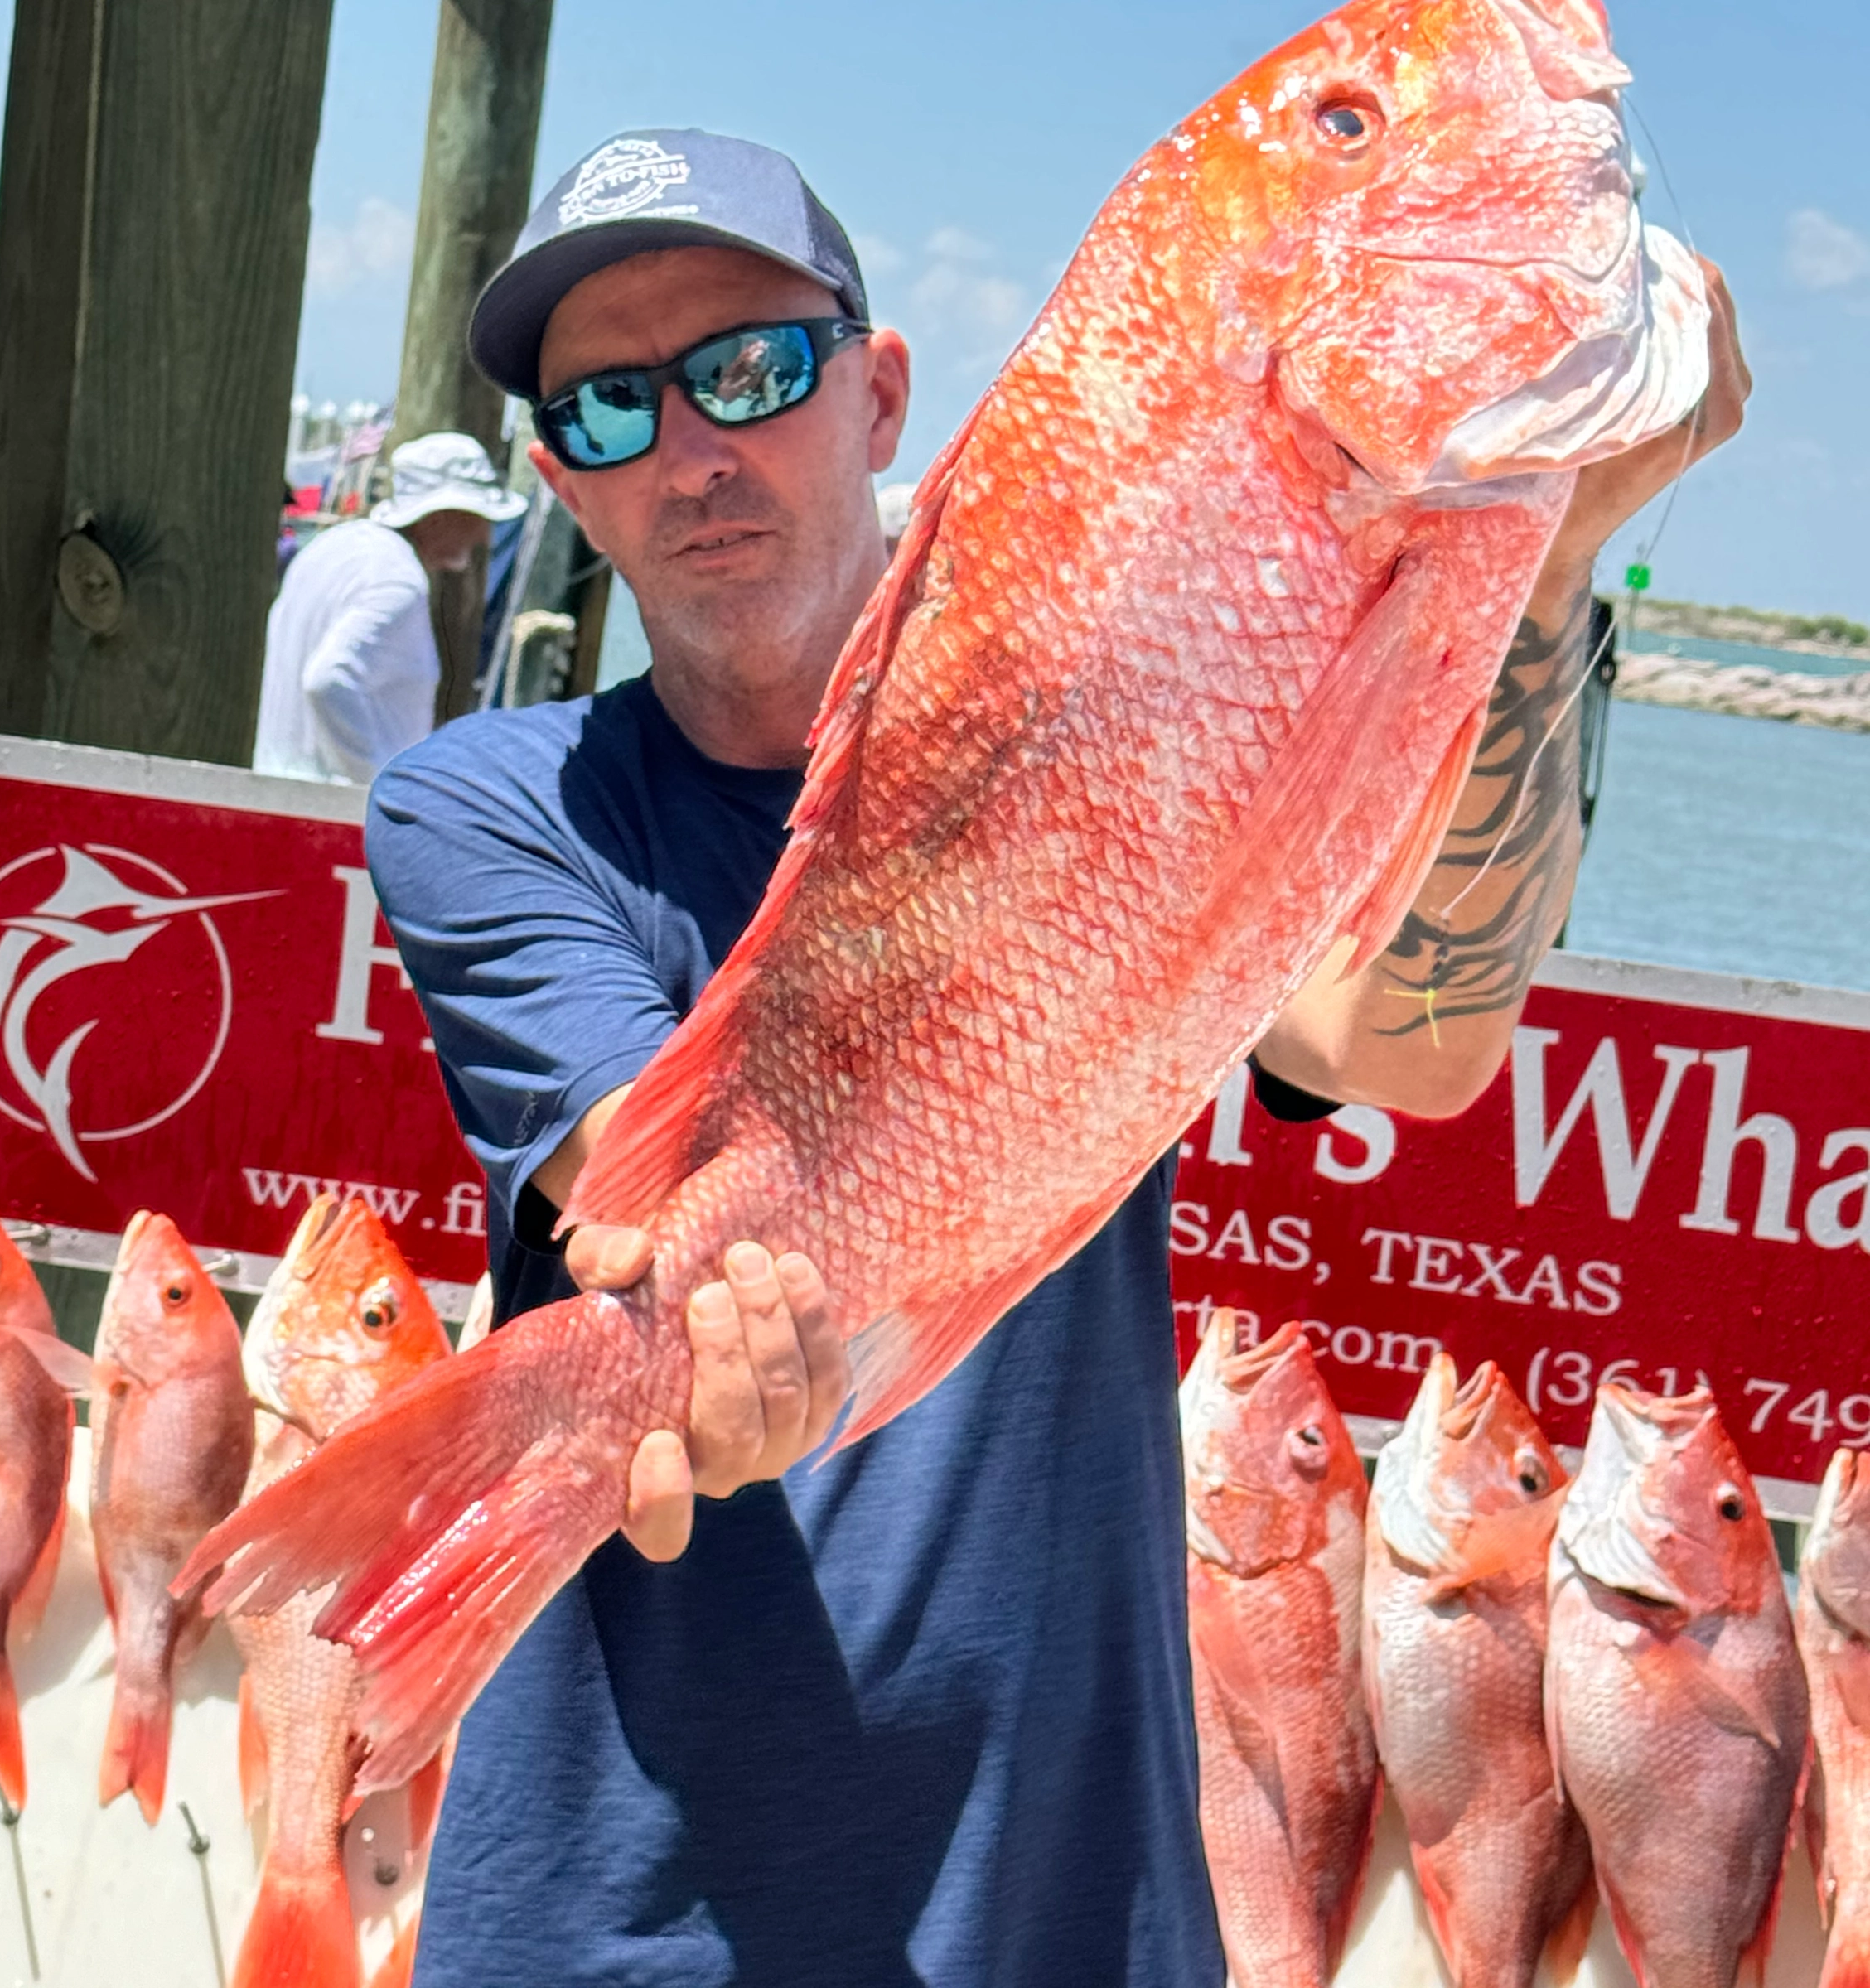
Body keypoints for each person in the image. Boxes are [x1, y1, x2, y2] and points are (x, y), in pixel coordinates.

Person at [365, 128, 1749, 1987]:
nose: (693, 451)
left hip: (1067, 1898)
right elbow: (668, 1207)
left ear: (879, 395)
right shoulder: (489, 803)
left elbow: (1402, 1053)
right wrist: (727, 1353)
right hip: (608, 1915)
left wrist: (1548, 571)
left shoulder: (1124, 746)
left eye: (751, 374)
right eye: (610, 411)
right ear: (563, 483)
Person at [252, 431, 524, 784]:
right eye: (477, 515)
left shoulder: (330, 548)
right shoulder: (398, 579)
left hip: (274, 797)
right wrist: (381, 786)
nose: (484, 535)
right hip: (332, 816)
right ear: (438, 514)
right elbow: (327, 680)